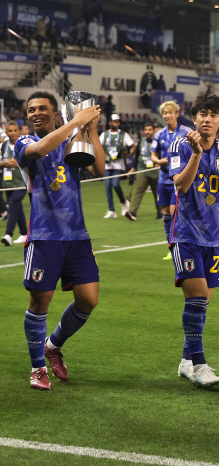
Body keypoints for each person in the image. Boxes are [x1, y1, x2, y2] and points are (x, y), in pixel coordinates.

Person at [15, 91, 105, 390]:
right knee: (40, 302)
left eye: (43, 109)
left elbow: (100, 169)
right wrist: (76, 122)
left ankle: (52, 346)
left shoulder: (72, 143)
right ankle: (37, 368)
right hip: (44, 236)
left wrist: (89, 128)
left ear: (56, 114)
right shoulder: (24, 143)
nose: (35, 113)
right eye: (31, 110)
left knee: (88, 300)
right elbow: (41, 149)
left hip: (77, 236)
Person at [169, 95, 219, 387]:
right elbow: (181, 184)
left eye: (214, 115)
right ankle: (199, 365)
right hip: (186, 235)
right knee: (198, 299)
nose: (207, 119)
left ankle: (186, 361)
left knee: (201, 304)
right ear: (194, 117)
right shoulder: (181, 144)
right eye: (202, 113)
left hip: (213, 239)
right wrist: (198, 153)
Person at [152, 101, 192, 260]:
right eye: (165, 113)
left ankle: (180, 246)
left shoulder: (186, 132)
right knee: (165, 213)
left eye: (170, 113)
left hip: (179, 180)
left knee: (175, 212)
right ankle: (170, 246)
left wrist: (163, 161)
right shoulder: (159, 134)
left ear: (177, 113)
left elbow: (191, 153)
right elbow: (153, 155)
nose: (167, 116)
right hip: (163, 180)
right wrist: (161, 160)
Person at [99, 114, 135, 218]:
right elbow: (98, 146)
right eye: (115, 121)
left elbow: (133, 146)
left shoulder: (123, 134)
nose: (117, 123)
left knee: (115, 184)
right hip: (107, 165)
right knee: (107, 187)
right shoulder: (104, 134)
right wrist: (103, 155)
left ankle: (123, 203)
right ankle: (112, 210)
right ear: (110, 123)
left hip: (119, 164)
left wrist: (128, 155)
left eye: (118, 121)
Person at [125, 122, 159, 221]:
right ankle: (132, 212)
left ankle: (161, 213)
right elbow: (136, 156)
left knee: (157, 194)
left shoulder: (158, 142)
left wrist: (159, 163)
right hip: (142, 170)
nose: (148, 132)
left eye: (150, 129)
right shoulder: (141, 141)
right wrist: (133, 168)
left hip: (155, 172)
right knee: (138, 191)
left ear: (153, 131)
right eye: (146, 130)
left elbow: (162, 154)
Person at [0, 121, 27, 245]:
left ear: (19, 131)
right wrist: (4, 163)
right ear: (6, 133)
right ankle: (24, 233)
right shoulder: (2, 146)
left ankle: (8, 234)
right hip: (8, 182)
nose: (13, 133)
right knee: (17, 207)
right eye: (10, 131)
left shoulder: (24, 144)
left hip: (22, 181)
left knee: (12, 203)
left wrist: (18, 163)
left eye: (15, 130)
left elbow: (32, 160)